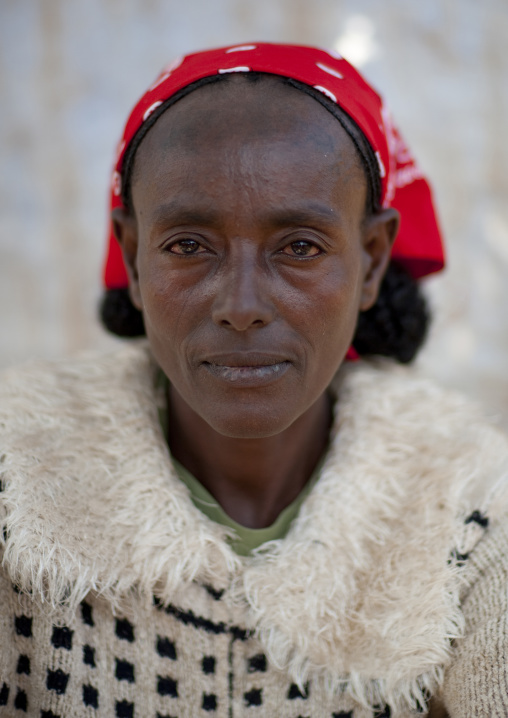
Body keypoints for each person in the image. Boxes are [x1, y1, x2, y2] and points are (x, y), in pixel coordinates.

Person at [0, 42, 507, 718]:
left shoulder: (472, 507)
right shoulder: (19, 477)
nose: (241, 306)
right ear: (133, 256)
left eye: (299, 247)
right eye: (188, 246)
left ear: (372, 261)